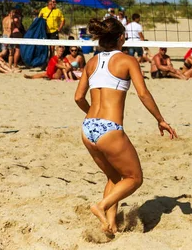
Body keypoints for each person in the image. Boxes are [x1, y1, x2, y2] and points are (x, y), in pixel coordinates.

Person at [73, 18, 177, 235]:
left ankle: (110, 225)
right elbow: (143, 93)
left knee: (114, 177)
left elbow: (78, 98)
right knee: (135, 178)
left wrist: (93, 116)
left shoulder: (92, 62)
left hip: (88, 127)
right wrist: (160, 119)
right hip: (109, 129)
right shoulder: (127, 60)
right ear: (121, 37)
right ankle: (100, 206)